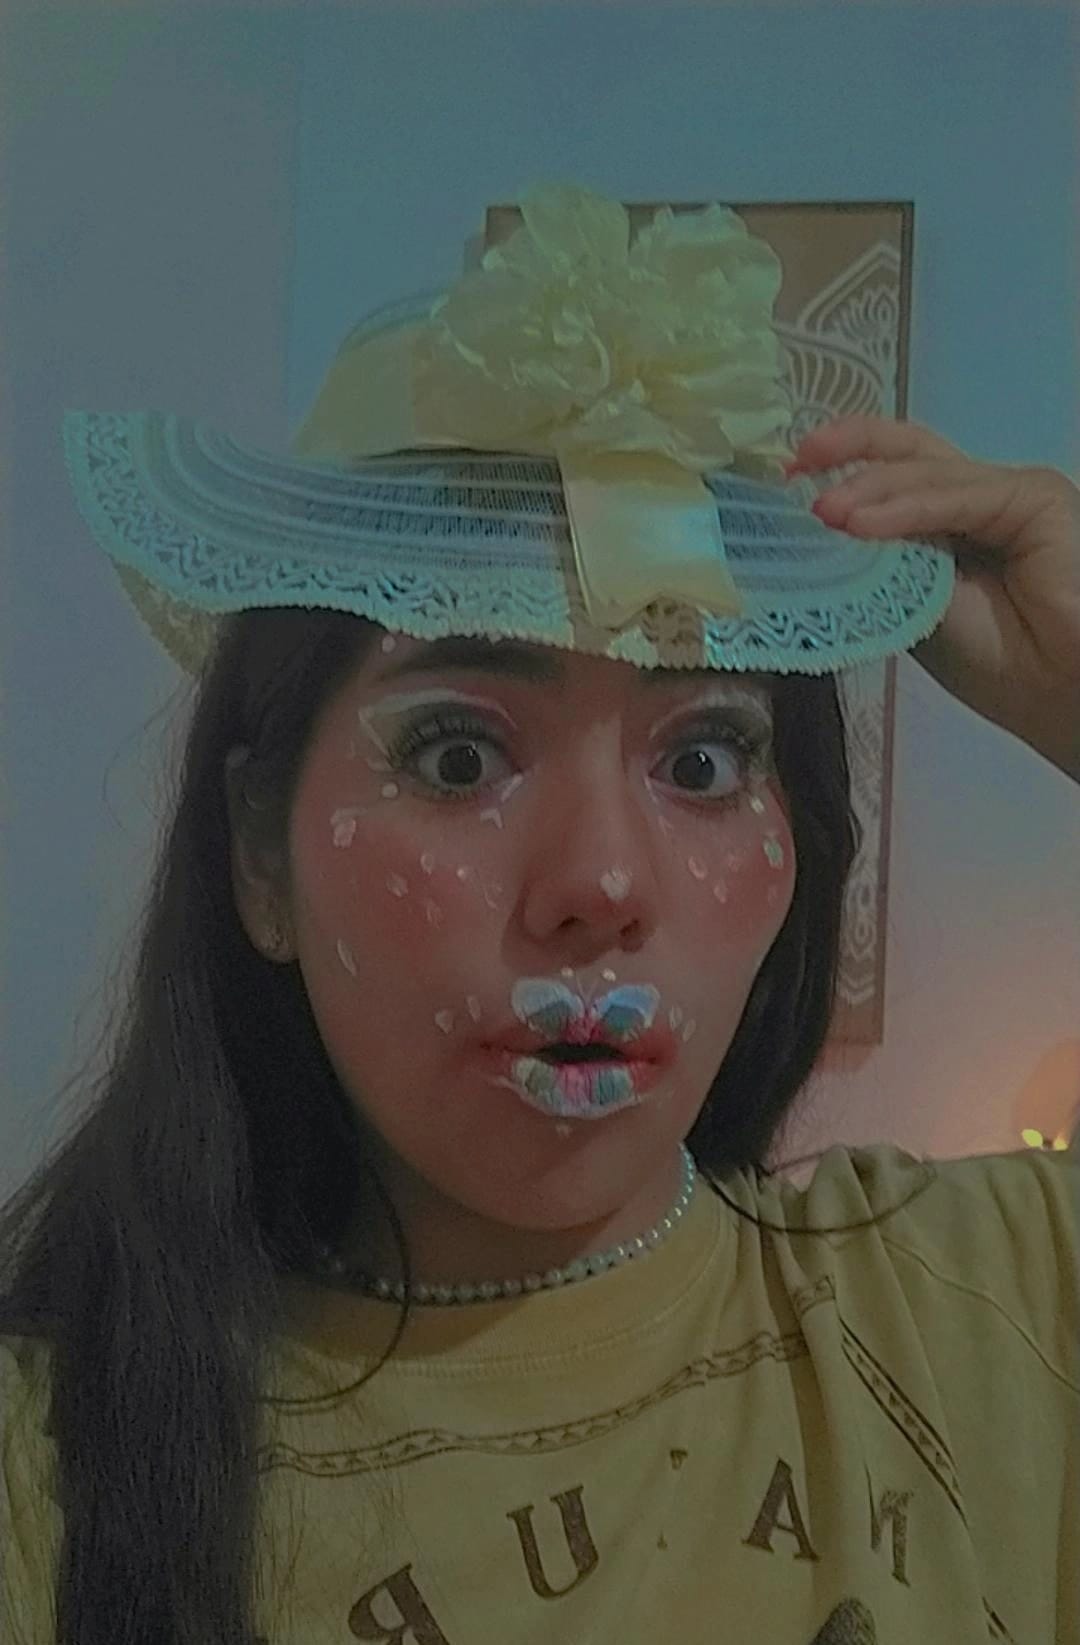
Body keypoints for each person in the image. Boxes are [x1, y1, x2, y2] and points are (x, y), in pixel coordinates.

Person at [2, 181, 1078, 1644]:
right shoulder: (45, 1471)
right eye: (458, 756)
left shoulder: (998, 1303)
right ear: (260, 854)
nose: (602, 888)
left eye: (705, 759)